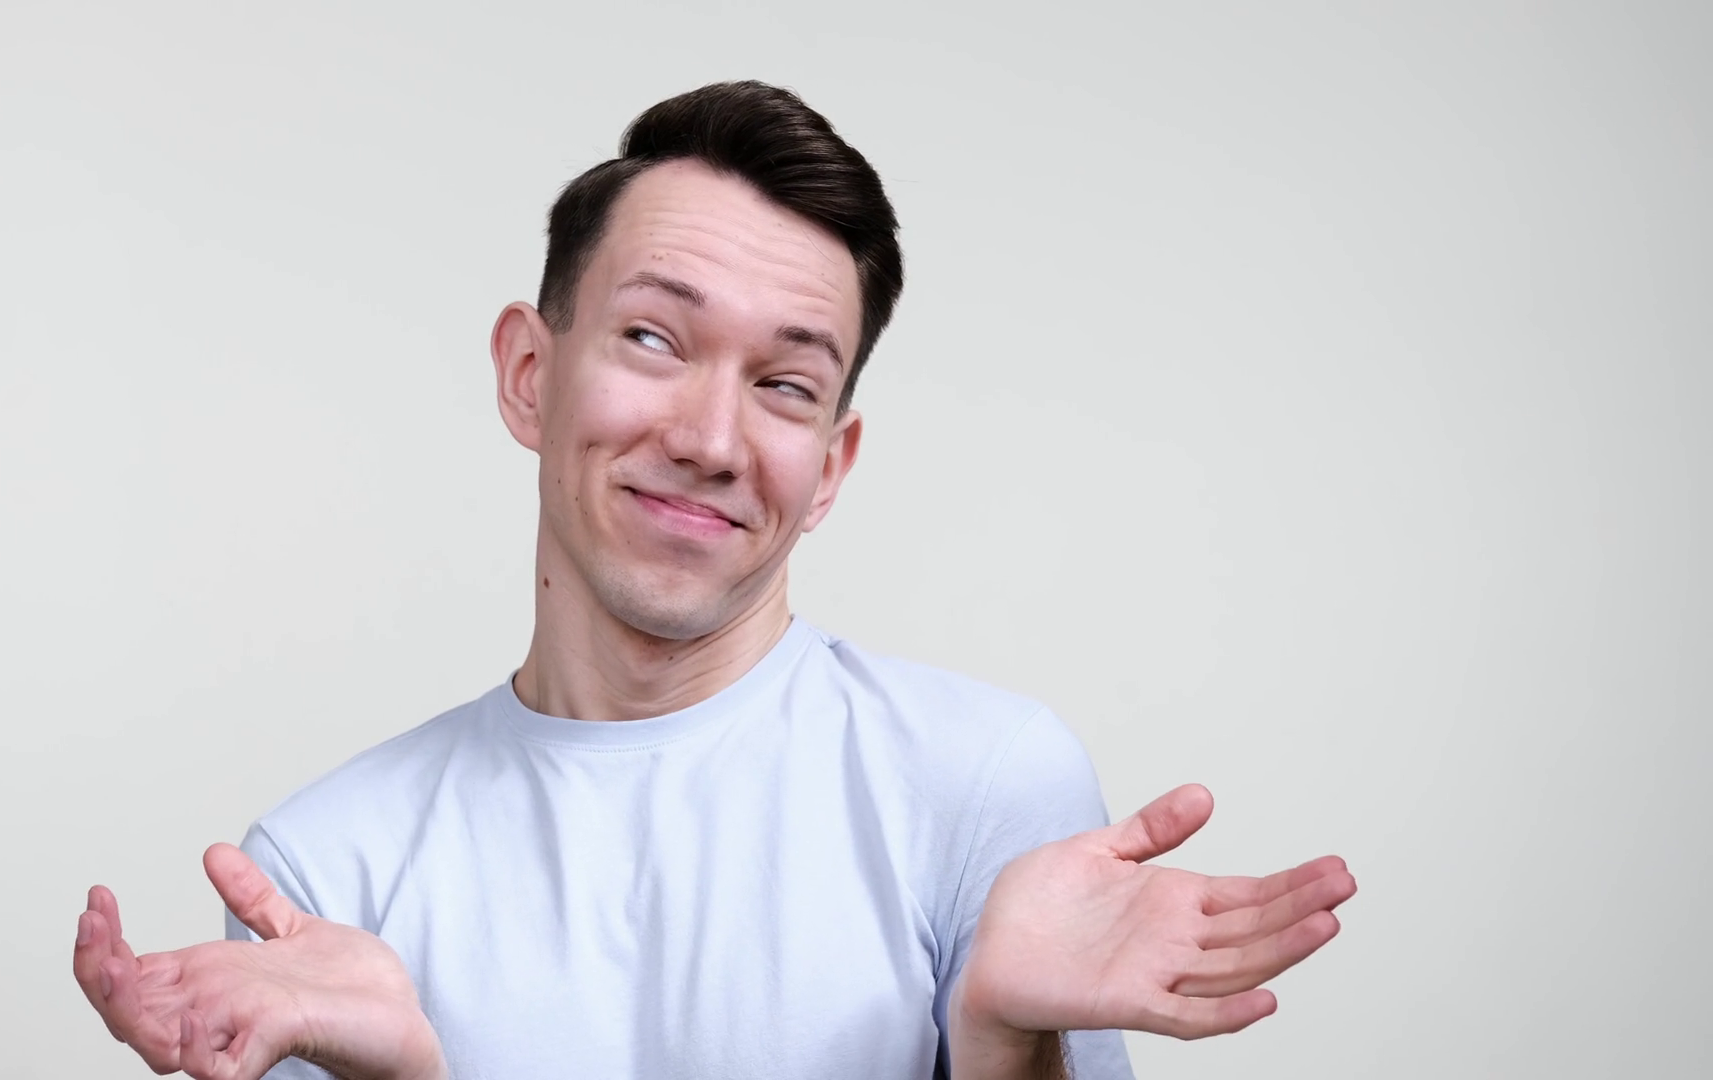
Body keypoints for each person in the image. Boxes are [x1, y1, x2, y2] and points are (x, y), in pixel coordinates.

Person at [71, 80, 1356, 1080]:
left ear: (831, 466)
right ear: (529, 374)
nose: (711, 437)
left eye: (786, 384)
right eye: (652, 337)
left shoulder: (982, 787)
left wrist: (1003, 1045)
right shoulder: (324, 874)